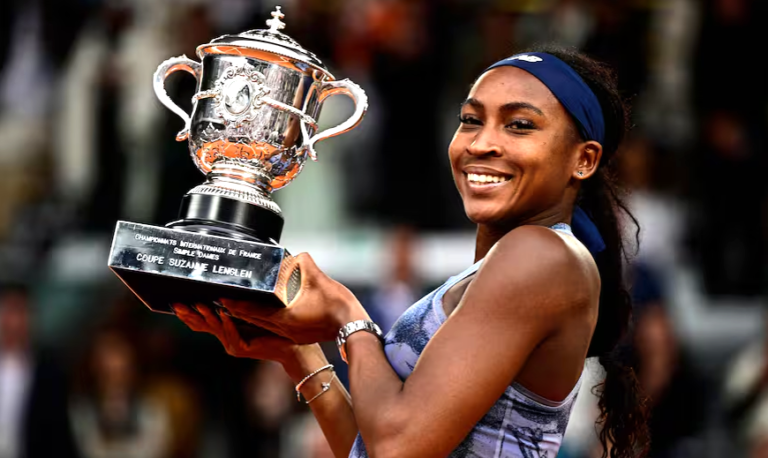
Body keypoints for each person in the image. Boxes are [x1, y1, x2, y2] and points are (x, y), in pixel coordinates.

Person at [172, 46, 649, 458]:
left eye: (519, 125)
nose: (483, 143)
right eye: (471, 120)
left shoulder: (540, 255)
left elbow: (397, 447)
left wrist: (345, 312)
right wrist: (301, 355)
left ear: (583, 159)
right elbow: (373, 446)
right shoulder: (511, 264)